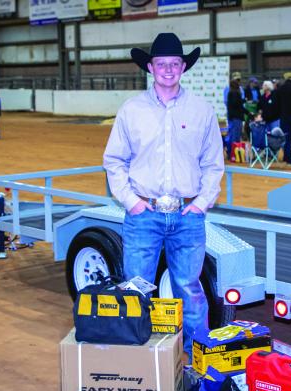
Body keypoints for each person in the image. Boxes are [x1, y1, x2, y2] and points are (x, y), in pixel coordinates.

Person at [103, 33, 224, 360]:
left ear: (184, 66)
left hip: (188, 217)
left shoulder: (201, 111)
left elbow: (214, 164)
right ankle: (137, 361)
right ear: (150, 67)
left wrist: (201, 203)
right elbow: (114, 160)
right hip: (144, 216)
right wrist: (132, 202)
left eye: (174, 63)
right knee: (137, 287)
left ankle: (198, 365)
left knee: (191, 291)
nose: (168, 69)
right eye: (161, 64)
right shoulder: (132, 110)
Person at [226, 80, 248, 161]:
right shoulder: (236, 94)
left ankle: (230, 154)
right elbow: (238, 106)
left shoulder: (230, 93)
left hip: (232, 117)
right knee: (236, 137)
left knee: (232, 135)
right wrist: (248, 112)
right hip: (236, 117)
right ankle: (235, 155)